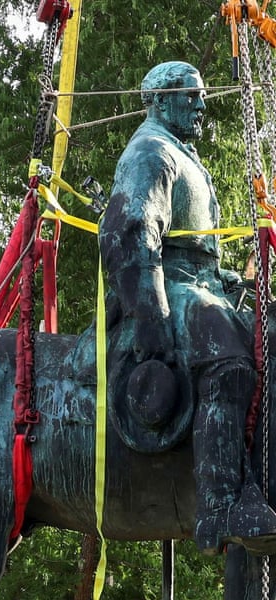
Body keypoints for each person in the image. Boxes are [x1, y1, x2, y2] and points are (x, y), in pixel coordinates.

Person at [99, 60, 276, 555]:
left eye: (201, 96)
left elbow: (194, 246)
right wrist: (149, 315)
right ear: (158, 100)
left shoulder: (182, 154)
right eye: (190, 95)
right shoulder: (150, 151)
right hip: (166, 288)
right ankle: (221, 504)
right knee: (230, 359)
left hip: (198, 283)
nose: (201, 104)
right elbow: (131, 231)